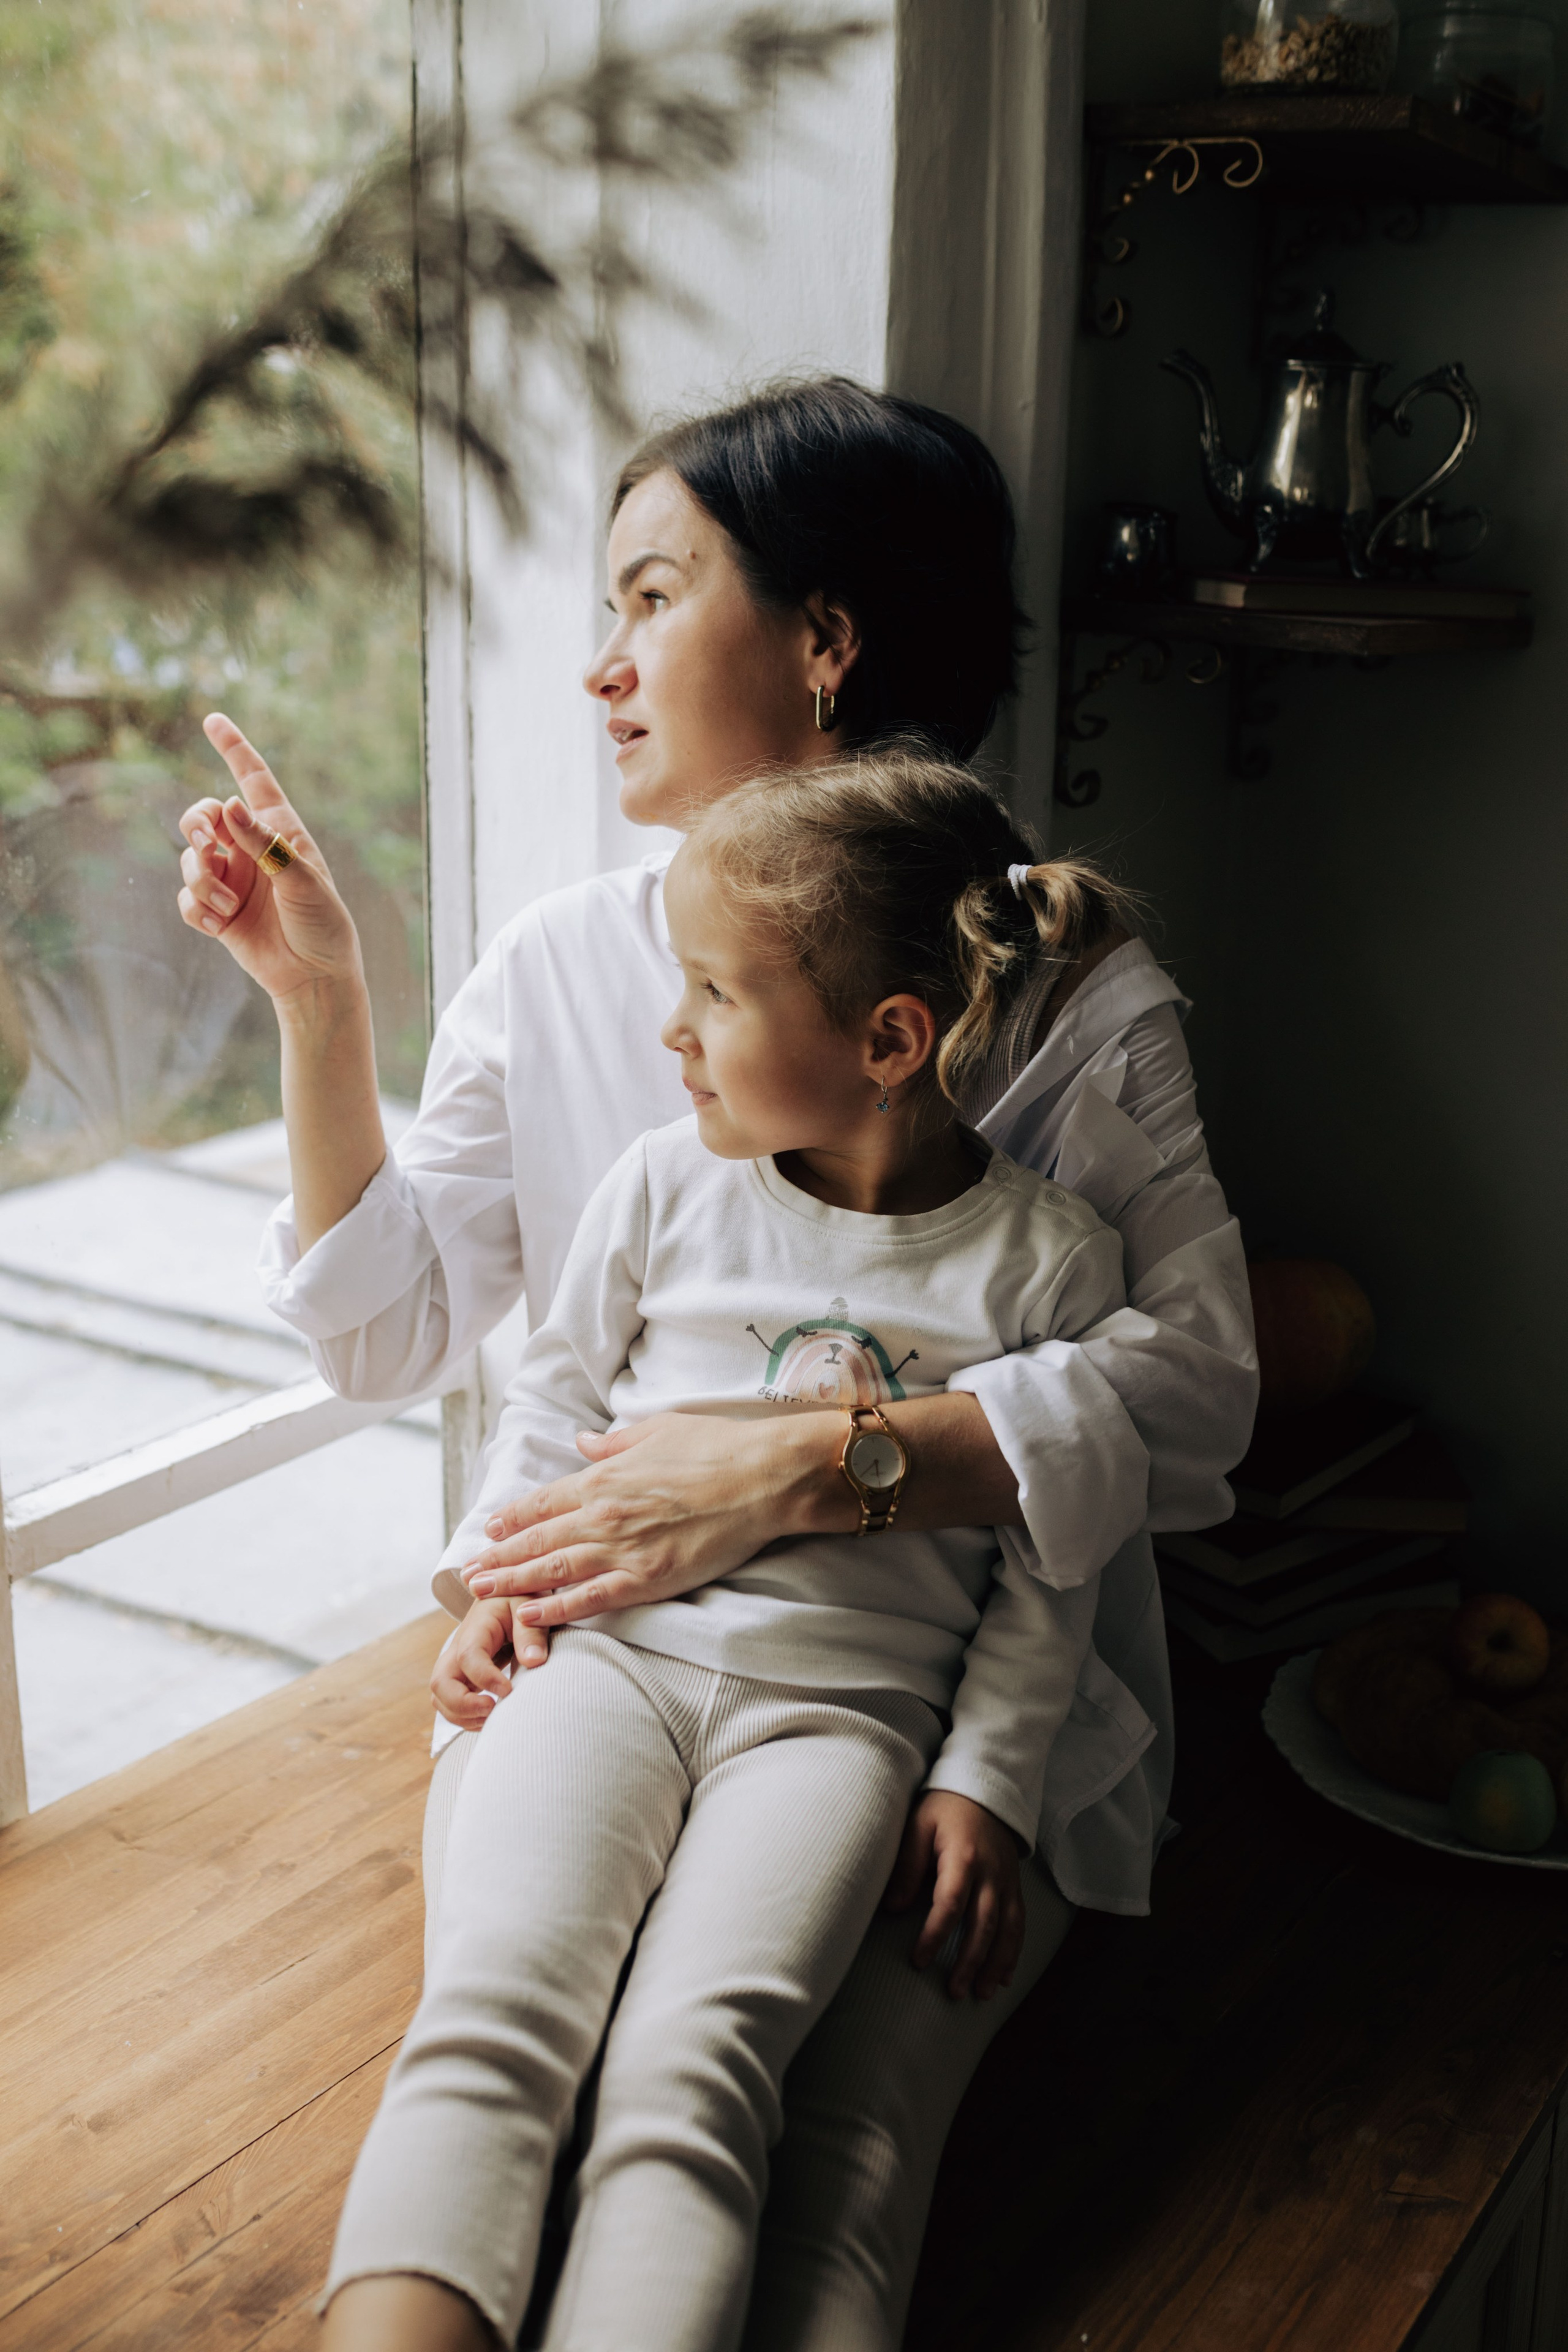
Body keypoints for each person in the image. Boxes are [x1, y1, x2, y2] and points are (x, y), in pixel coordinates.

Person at [175, 377, 1257, 2351]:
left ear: (826, 642)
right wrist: (323, 1008)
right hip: (607, 1657)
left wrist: (812, 1469)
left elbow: (1199, 1402)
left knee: (812, 2128)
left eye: (650, 597)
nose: (600, 669)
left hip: (920, 1716)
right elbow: (397, 1335)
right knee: (524, 2061)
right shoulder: (567, 963)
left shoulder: (1068, 985)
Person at [324, 752, 1136, 2350]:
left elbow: (1053, 1549)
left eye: (711, 991)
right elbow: (554, 1394)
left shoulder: (1049, 1262)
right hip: (610, 1666)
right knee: (494, 2019)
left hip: (839, 1733)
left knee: (695, 2069)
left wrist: (983, 1776)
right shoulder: (660, 1186)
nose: (672, 1032)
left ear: (889, 1041)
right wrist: (504, 1579)